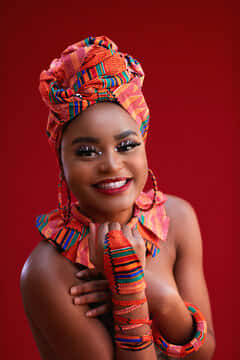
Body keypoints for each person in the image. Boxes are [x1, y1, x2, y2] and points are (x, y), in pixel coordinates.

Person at [20, 36, 216, 360]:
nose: (111, 165)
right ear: (61, 161)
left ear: (145, 143)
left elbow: (204, 352)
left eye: (126, 146)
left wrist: (161, 297)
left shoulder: (177, 219)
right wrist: (129, 292)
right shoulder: (47, 270)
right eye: (86, 151)